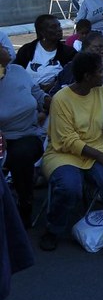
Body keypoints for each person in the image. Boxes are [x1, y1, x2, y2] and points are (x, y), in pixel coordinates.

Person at [40, 52, 103, 257]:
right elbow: (67, 141)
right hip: (63, 154)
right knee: (69, 187)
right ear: (87, 76)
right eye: (100, 71)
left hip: (97, 147)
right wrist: (100, 156)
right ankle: (53, 229)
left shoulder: (100, 90)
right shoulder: (61, 99)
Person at [0, 44, 46, 226]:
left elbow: (38, 94)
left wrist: (50, 103)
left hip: (28, 134)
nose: (5, 47)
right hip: (2, 138)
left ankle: (25, 203)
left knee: (21, 154)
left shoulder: (18, 70)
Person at [14, 14, 75, 92]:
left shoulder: (69, 52)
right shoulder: (27, 50)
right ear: (42, 32)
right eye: (53, 27)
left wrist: (52, 86)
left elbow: (71, 77)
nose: (59, 29)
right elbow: (16, 73)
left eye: (59, 26)